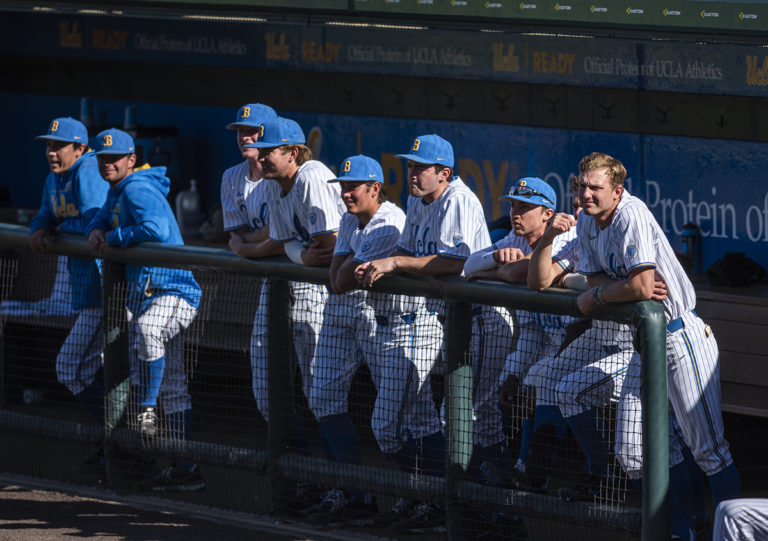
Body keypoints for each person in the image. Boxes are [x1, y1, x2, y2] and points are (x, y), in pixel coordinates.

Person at [571, 152, 741, 537]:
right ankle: (682, 532)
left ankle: (731, 534)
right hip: (645, 343)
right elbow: (602, 278)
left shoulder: (630, 213)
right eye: (582, 186)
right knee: (633, 452)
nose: (586, 195)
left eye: (595, 188)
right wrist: (621, 290)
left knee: (709, 451)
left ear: (617, 191)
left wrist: (604, 295)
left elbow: (640, 286)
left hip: (682, 338)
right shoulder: (585, 218)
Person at [356, 133, 514, 533]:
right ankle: (479, 508)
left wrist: (393, 262)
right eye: (409, 166)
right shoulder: (417, 201)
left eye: (419, 167)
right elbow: (410, 251)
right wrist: (381, 261)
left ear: (443, 173)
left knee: (460, 417)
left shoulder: (458, 200)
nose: (411, 173)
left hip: (484, 321)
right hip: (450, 322)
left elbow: (453, 262)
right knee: (467, 420)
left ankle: (481, 509)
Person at [86, 128, 204, 492]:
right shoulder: (118, 190)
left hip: (174, 292)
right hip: (153, 294)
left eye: (114, 158)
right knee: (175, 387)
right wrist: (95, 228)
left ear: (131, 160)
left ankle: (147, 410)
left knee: (147, 331)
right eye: (103, 158)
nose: (107, 163)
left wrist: (114, 239)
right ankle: (186, 469)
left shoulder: (136, 187)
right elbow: (103, 217)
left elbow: (154, 227)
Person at [304, 154, 404, 523]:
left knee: (399, 416)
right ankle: (350, 492)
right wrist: (343, 265)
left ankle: (424, 496)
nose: (346, 194)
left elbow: (341, 277)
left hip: (382, 320)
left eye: (352, 187)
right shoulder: (349, 218)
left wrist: (343, 265)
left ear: (374, 188)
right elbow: (338, 277)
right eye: (343, 187)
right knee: (323, 398)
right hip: (342, 314)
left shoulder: (389, 222)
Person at [29, 117, 108, 429]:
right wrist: (40, 227)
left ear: (80, 148)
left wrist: (60, 228)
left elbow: (96, 222)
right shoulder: (55, 177)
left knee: (69, 368)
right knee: (96, 371)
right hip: (86, 288)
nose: (51, 152)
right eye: (48, 145)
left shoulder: (88, 170)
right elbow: (45, 213)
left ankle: (121, 440)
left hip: (108, 286)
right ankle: (116, 444)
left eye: (59, 146)